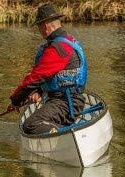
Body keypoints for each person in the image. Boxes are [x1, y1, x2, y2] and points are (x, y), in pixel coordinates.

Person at [8, 4, 87, 134]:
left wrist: (15, 100)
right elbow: (53, 75)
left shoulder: (57, 48)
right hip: (68, 100)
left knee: (30, 125)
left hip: (65, 104)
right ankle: (60, 129)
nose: (39, 31)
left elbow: (35, 78)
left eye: (39, 27)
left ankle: (65, 133)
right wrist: (39, 91)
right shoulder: (68, 41)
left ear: (45, 26)